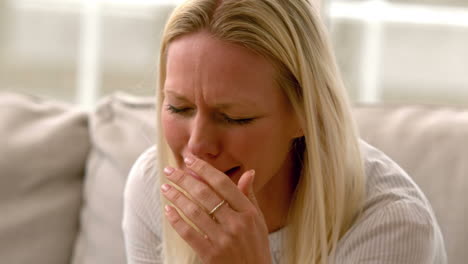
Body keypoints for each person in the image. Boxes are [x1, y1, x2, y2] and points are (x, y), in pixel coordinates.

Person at [122, 0, 447, 263]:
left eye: (234, 117)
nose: (197, 145)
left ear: (306, 112)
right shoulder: (153, 187)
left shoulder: (391, 225)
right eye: (179, 108)